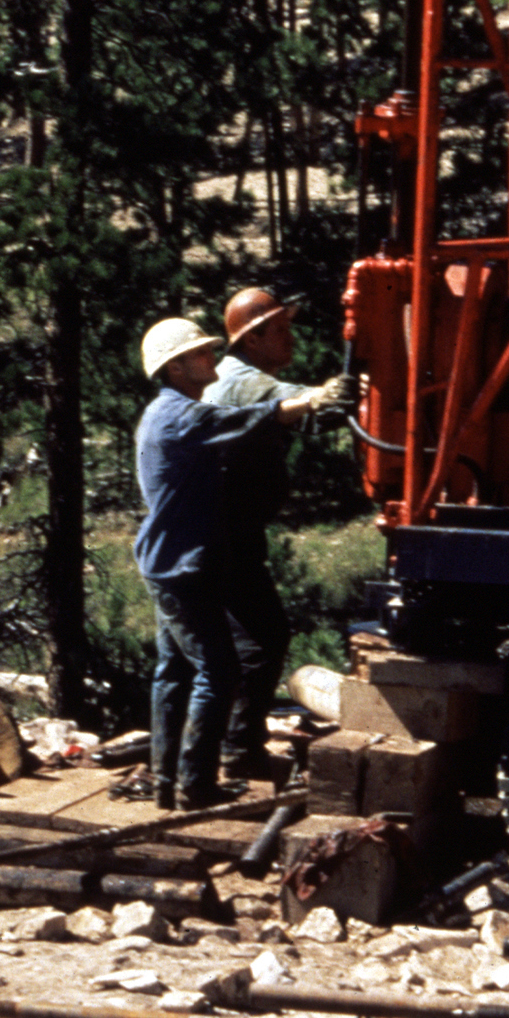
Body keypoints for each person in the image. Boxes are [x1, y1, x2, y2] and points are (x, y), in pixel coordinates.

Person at [134, 316, 346, 809]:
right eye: (202, 353)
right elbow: (246, 419)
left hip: (170, 560)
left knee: (174, 671)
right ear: (177, 367)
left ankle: (169, 783)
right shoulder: (184, 417)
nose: (213, 357)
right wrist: (311, 400)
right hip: (183, 566)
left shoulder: (164, 413)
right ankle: (196, 786)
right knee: (218, 670)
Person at [201, 288, 352, 779]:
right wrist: (332, 394)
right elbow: (301, 406)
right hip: (223, 535)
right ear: (252, 338)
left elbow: (309, 417)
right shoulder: (243, 382)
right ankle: (239, 751)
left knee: (230, 643)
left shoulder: (246, 379)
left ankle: (224, 743)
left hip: (221, 532)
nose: (291, 338)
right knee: (263, 639)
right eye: (281, 330)